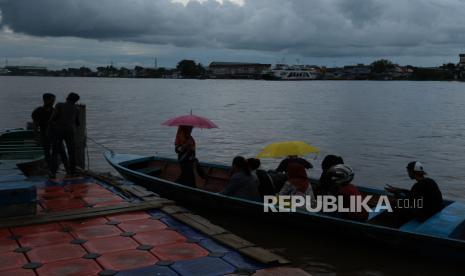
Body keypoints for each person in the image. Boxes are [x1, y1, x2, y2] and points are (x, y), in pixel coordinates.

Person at [49, 92, 80, 178]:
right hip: (70, 132)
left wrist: (50, 130)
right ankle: (72, 172)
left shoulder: (59, 105)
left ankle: (52, 172)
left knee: (55, 152)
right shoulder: (76, 109)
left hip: (58, 131)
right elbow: (77, 123)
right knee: (71, 153)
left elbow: (52, 118)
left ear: (67, 98)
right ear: (76, 101)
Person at [31, 93, 56, 172]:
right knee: (47, 150)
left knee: (57, 150)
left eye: (54, 100)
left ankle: (54, 166)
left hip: (55, 134)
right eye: (52, 100)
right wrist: (36, 136)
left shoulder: (55, 110)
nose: (53, 102)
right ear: (46, 100)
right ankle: (49, 167)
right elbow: (35, 125)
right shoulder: (38, 111)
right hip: (44, 134)